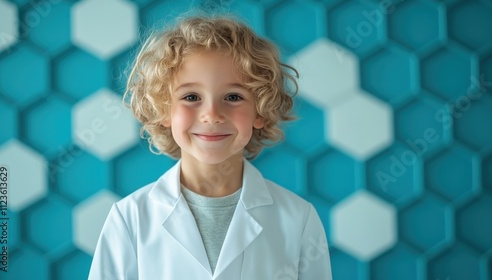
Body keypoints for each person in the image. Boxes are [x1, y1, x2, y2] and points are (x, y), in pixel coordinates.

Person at [88, 14, 332, 280]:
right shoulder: (129, 218)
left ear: (260, 111)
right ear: (163, 110)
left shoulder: (298, 219)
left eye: (233, 97)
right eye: (191, 97)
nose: (212, 114)